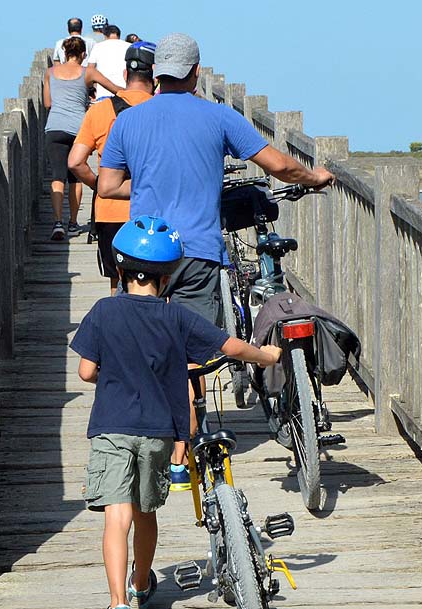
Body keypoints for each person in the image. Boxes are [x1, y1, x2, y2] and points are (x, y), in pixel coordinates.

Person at [98, 32, 334, 490]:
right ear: (196, 72)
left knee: (153, 345)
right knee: (190, 353)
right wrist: (317, 177)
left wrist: (149, 186)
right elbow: (279, 166)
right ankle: (185, 455)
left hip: (145, 251)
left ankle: (162, 445)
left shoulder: (128, 122)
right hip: (198, 251)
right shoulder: (218, 116)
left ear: (155, 73)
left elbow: (106, 186)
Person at [71, 215, 281, 609]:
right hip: (157, 432)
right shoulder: (176, 318)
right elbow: (230, 345)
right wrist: (268, 356)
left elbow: (85, 371)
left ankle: (117, 606)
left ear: (120, 269)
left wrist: (110, 372)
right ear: (166, 280)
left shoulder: (103, 311)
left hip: (112, 426)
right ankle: (140, 582)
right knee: (145, 511)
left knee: (119, 513)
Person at [69, 41, 157, 293]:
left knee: (117, 283)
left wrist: (99, 184)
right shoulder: (162, 110)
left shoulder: (100, 111)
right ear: (155, 77)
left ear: (125, 75)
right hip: (153, 208)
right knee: (159, 283)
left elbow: (75, 162)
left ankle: (121, 329)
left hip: (110, 213)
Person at [43, 37, 121, 240]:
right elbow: (116, 90)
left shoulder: (50, 73)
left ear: (64, 52)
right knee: (75, 178)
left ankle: (58, 222)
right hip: (78, 128)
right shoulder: (88, 72)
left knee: (57, 176)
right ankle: (73, 223)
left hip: (54, 127)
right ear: (84, 54)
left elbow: (47, 102)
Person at [85, 25, 131, 101]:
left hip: (103, 94)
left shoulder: (97, 47)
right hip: (124, 94)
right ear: (119, 35)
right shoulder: (129, 46)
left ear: (105, 36)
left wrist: (91, 89)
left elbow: (90, 69)